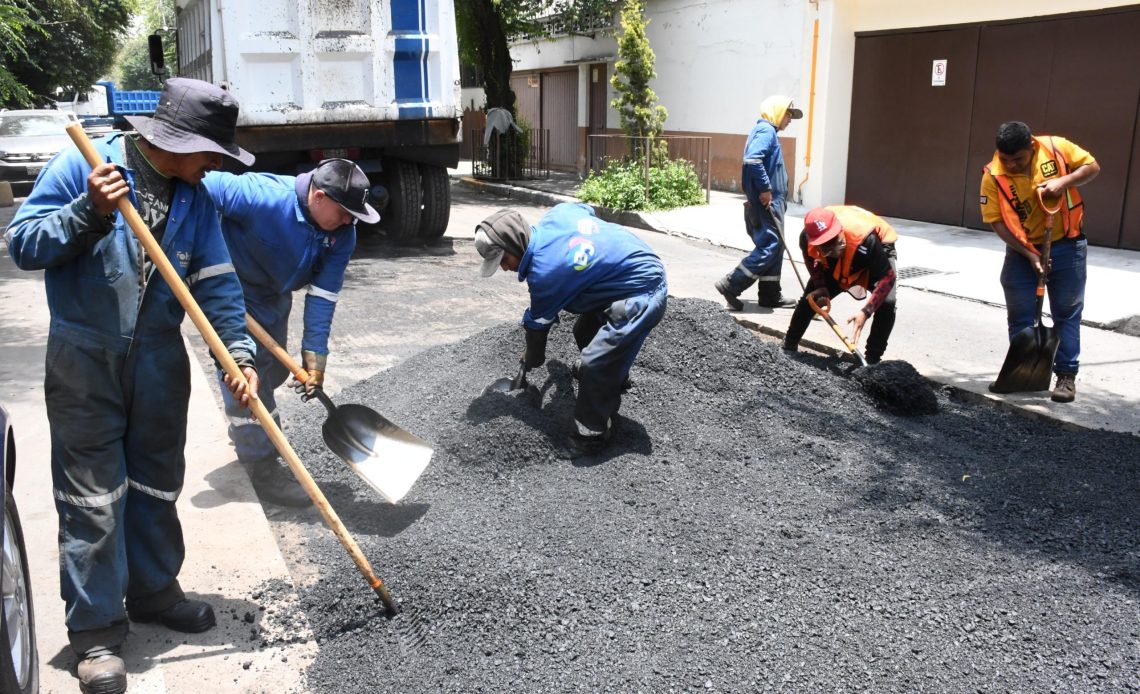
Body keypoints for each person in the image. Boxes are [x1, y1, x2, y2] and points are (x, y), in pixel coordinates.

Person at [4, 78, 260, 694]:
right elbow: (23, 245)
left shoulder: (195, 197)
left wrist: (238, 352)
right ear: (174, 141)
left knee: (155, 483)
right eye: (212, 155)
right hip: (84, 356)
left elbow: (217, 279)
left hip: (158, 359)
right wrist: (87, 212)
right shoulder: (85, 165)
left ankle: (152, 591)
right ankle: (95, 631)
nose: (216, 167)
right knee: (92, 495)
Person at [201, 159, 379, 506]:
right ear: (319, 196)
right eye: (344, 212)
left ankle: (253, 430)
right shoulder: (260, 195)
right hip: (227, 292)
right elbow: (202, 184)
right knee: (248, 378)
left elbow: (323, 297)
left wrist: (315, 361)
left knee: (274, 371)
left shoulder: (343, 233)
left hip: (272, 297)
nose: (349, 221)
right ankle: (261, 464)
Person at [474, 203, 668, 455]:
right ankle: (614, 379)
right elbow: (585, 209)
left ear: (514, 243)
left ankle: (592, 435)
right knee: (584, 333)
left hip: (643, 289)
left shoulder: (545, 274)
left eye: (503, 259)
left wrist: (531, 358)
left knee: (594, 364)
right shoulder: (558, 214)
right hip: (618, 278)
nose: (503, 267)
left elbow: (537, 328)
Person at [981, 121, 1099, 403]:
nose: (1010, 164)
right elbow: (997, 223)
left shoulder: (1056, 148)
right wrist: (1030, 255)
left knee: (1066, 313)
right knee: (1020, 316)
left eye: (1018, 159)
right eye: (1005, 158)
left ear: (1031, 147)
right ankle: (1024, 373)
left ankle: (1066, 377)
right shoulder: (992, 175)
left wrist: (1063, 181)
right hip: (1023, 250)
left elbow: (1092, 167)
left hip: (1068, 245)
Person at [714, 95, 802, 311]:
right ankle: (731, 284)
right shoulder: (766, 131)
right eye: (788, 114)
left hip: (773, 201)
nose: (790, 120)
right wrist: (765, 189)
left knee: (775, 246)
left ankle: (770, 295)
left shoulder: (769, 132)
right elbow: (753, 159)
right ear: (778, 112)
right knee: (770, 245)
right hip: (767, 202)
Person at [782, 206, 898, 365]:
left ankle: (872, 361)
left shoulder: (867, 240)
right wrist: (820, 284)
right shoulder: (807, 238)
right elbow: (810, 258)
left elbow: (888, 278)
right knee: (812, 298)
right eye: (827, 245)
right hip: (844, 250)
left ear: (839, 230)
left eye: (835, 240)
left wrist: (866, 311)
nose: (837, 247)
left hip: (875, 247)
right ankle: (788, 346)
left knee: (887, 303)